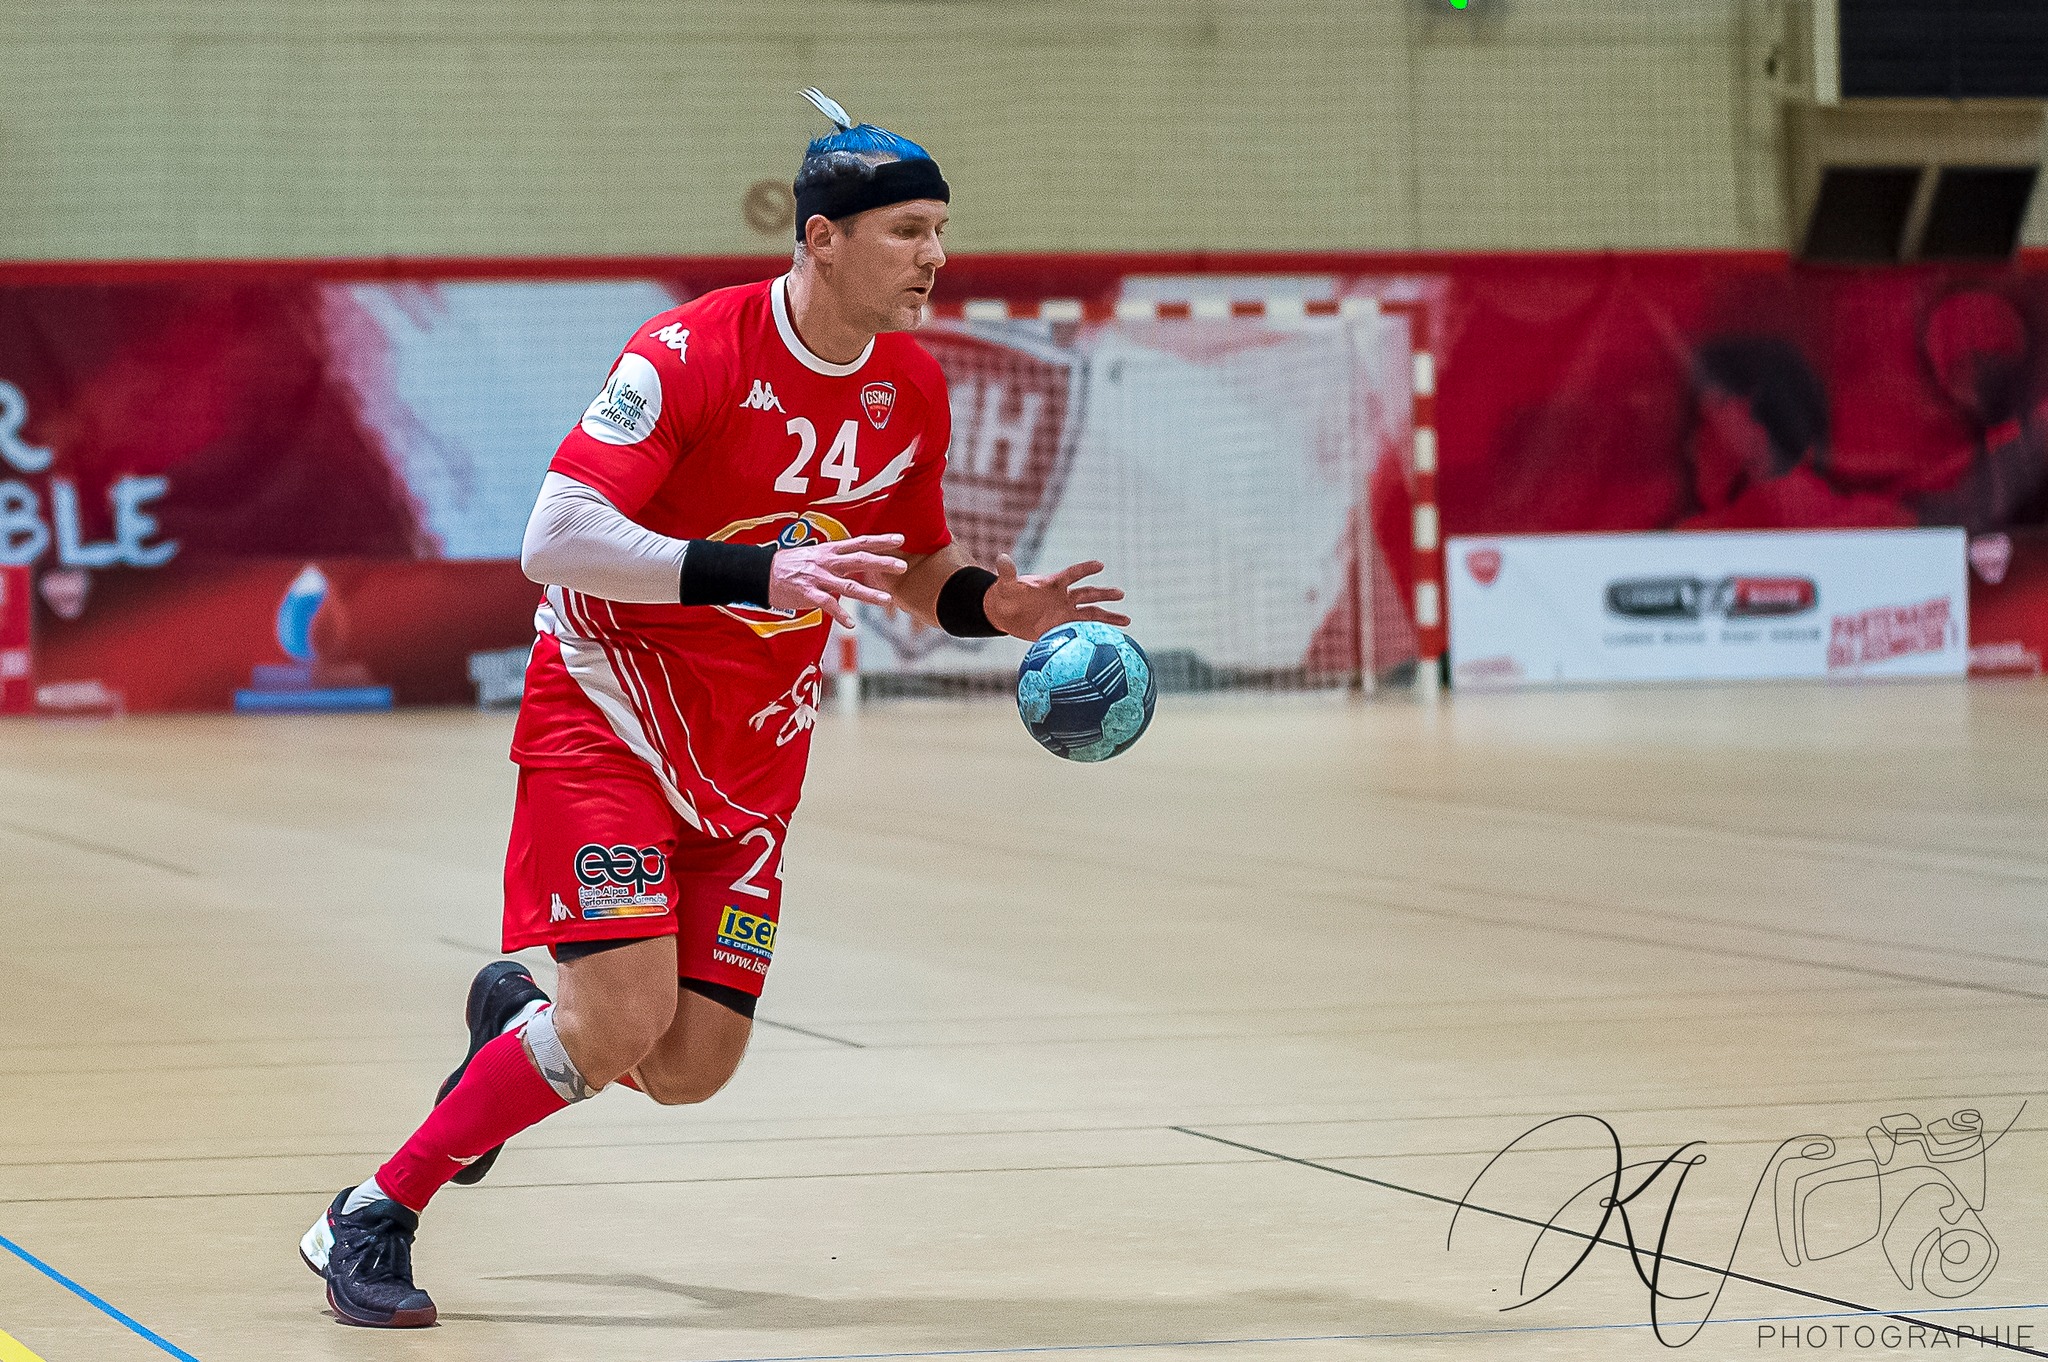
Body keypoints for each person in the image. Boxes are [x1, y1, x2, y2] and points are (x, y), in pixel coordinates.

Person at [296, 89, 1129, 1329]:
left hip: (753, 752)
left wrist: (987, 605)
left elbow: (910, 556)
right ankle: (370, 1214)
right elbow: (553, 537)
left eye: (941, 230)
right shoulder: (686, 354)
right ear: (821, 239)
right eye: (908, 231)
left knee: (686, 1067)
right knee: (621, 1019)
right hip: (610, 710)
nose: (935, 258)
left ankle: (523, 1025)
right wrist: (756, 572)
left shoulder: (910, 384)